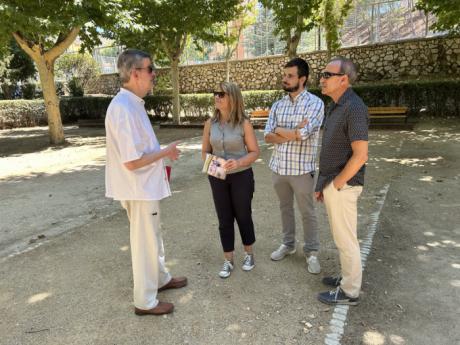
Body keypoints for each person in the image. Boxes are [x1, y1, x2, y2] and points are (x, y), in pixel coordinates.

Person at [105, 49, 187, 316]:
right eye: (151, 69)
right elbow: (131, 161)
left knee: (153, 237)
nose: (155, 75)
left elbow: (139, 151)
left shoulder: (131, 104)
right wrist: (165, 152)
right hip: (138, 189)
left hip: (144, 187)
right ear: (134, 73)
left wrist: (161, 153)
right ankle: (145, 301)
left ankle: (160, 278)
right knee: (144, 243)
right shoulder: (123, 109)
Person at [315, 56, 369, 305]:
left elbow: (361, 155)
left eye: (327, 75)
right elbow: (330, 149)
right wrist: (322, 185)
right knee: (341, 237)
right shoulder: (335, 105)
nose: (322, 79)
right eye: (322, 75)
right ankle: (347, 278)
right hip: (332, 182)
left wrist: (336, 185)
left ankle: (349, 291)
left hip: (343, 185)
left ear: (343, 79)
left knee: (346, 239)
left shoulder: (354, 107)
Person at [264, 57, 324, 274]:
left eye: (290, 76)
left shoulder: (315, 104)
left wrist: (281, 130)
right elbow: (268, 137)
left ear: (303, 78)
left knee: (307, 212)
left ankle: (312, 251)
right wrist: (292, 132)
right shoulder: (277, 105)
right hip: (279, 168)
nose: (285, 79)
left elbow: (305, 134)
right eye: (284, 75)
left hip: (301, 170)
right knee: (285, 209)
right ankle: (288, 245)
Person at [202, 82, 260, 278]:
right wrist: (216, 166)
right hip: (217, 178)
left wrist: (239, 162)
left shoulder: (244, 123)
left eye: (221, 94)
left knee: (243, 215)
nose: (217, 97)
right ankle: (228, 260)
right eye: (215, 93)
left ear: (232, 98)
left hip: (242, 176)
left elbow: (254, 152)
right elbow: (205, 152)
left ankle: (249, 254)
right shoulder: (210, 124)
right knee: (224, 219)